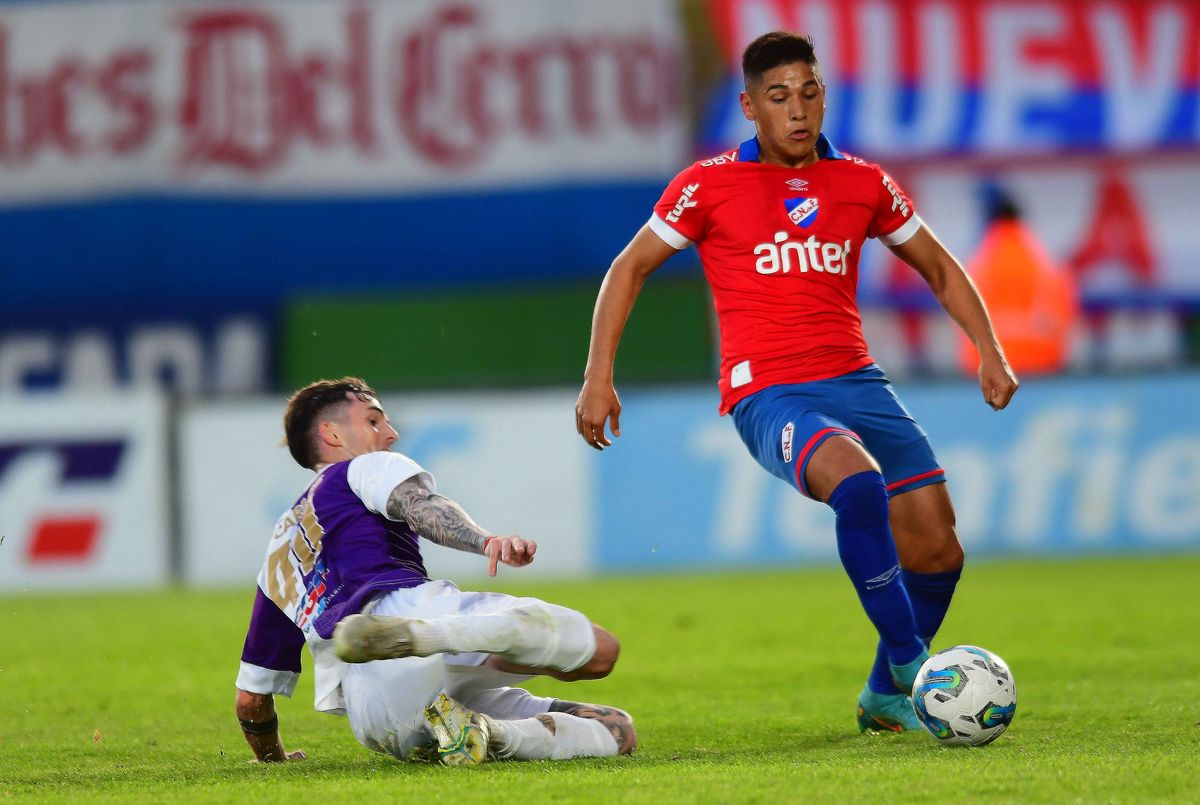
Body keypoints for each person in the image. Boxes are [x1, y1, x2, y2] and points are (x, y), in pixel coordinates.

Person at [575, 31, 1018, 733]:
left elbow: (938, 264)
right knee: (859, 483)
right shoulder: (706, 184)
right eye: (779, 96)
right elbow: (629, 267)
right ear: (750, 106)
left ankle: (881, 696)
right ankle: (913, 665)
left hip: (859, 381)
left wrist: (989, 350)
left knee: (938, 547)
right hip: (769, 392)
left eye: (809, 91)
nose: (798, 108)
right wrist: (599, 376)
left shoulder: (864, 182)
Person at [235, 377, 636, 765]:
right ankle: (427, 635)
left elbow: (251, 700)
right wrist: (484, 541)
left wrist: (274, 759)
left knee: (616, 730)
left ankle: (486, 732)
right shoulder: (359, 469)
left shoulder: (276, 559)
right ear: (332, 435)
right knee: (602, 651)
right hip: (403, 615)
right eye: (374, 420)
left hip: (375, 715)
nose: (390, 433)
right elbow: (417, 504)